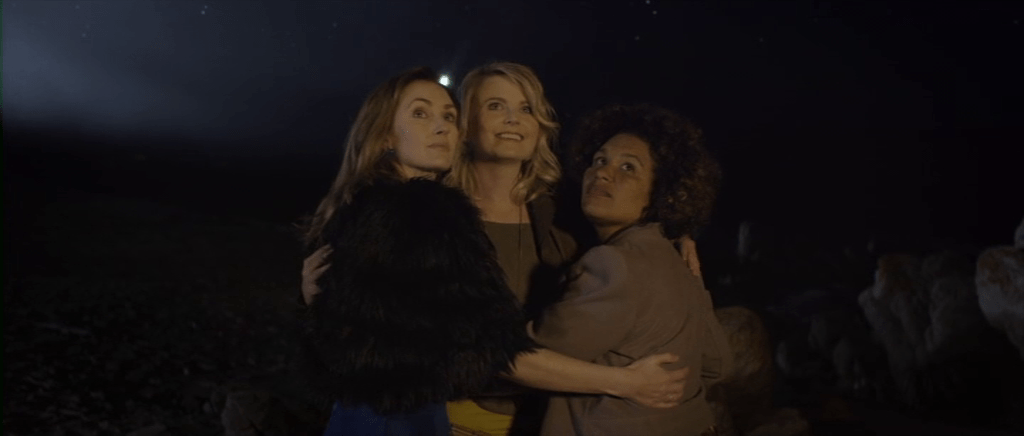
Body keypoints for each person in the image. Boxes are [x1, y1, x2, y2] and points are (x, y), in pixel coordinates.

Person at [300, 68, 690, 436]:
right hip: (434, 416)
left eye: (526, 108)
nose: (513, 119)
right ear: (469, 127)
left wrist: (675, 241)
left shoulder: (563, 214)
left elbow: (631, 235)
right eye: (495, 105)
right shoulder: (427, 213)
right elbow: (490, 349)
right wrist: (625, 382)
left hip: (539, 416)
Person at [530, 103, 734, 436]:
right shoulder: (678, 261)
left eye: (628, 167)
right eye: (599, 160)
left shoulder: (613, 263)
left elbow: (530, 359)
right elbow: (717, 365)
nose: (603, 173)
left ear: (660, 193)